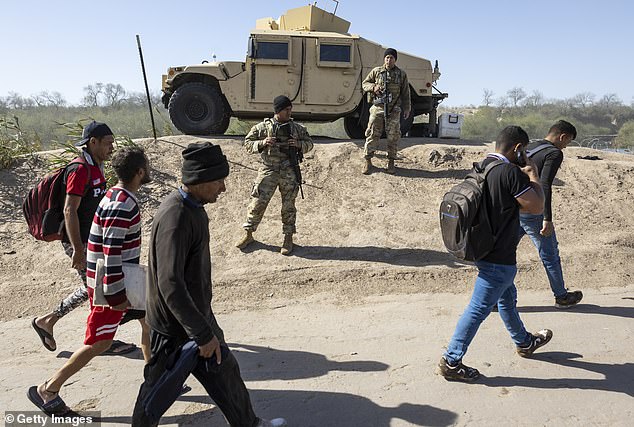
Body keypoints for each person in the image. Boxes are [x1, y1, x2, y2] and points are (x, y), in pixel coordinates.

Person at [131, 142, 286, 427]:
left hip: (197, 316)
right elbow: (171, 284)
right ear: (199, 179)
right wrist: (202, 335)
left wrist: (204, 327)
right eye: (218, 181)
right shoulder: (176, 217)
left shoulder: (194, 208)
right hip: (173, 328)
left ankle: (249, 424)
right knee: (155, 392)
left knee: (226, 372)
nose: (223, 188)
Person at [27, 146, 152, 416]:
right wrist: (117, 296)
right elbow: (112, 251)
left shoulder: (113, 195)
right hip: (113, 286)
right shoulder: (123, 203)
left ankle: (156, 380)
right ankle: (48, 389)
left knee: (149, 323)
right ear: (140, 172)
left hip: (119, 282)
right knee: (99, 342)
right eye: (147, 167)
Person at [439, 126, 552, 382]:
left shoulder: (483, 166)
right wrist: (533, 173)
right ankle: (451, 361)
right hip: (499, 256)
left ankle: (524, 342)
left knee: (506, 298)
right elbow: (536, 206)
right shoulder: (510, 172)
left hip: (482, 247)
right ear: (518, 149)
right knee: (478, 309)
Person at [30, 121, 135, 355]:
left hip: (92, 240)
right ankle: (99, 341)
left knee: (95, 288)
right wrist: (78, 248)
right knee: (97, 289)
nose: (112, 147)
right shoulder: (79, 169)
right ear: (92, 142)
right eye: (107, 143)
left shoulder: (95, 167)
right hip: (79, 241)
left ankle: (49, 322)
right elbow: (70, 210)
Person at [235, 95, 313, 255]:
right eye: (286, 110)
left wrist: (298, 145)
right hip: (268, 170)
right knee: (257, 202)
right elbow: (247, 143)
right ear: (278, 110)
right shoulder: (262, 128)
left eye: (290, 109)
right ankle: (248, 234)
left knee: (288, 206)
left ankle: (288, 238)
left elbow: (310, 143)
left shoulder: (297, 128)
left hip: (289, 170)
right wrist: (263, 143)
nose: (289, 112)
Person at [520, 120, 582, 308]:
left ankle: (495, 299)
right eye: (568, 142)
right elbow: (544, 184)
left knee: (504, 254)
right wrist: (547, 218)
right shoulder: (554, 153)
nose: (566, 146)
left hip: (514, 207)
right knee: (550, 254)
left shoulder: (531, 146)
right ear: (562, 136)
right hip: (534, 211)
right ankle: (561, 297)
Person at [361, 47, 411, 175]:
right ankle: (367, 160)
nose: (389, 60)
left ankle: (391, 162)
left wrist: (407, 108)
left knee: (393, 136)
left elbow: (406, 93)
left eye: (392, 58)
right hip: (378, 108)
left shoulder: (401, 74)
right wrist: (374, 87)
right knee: (372, 134)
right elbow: (364, 84)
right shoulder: (377, 72)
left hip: (394, 109)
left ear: (395, 60)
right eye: (387, 57)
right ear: (384, 59)